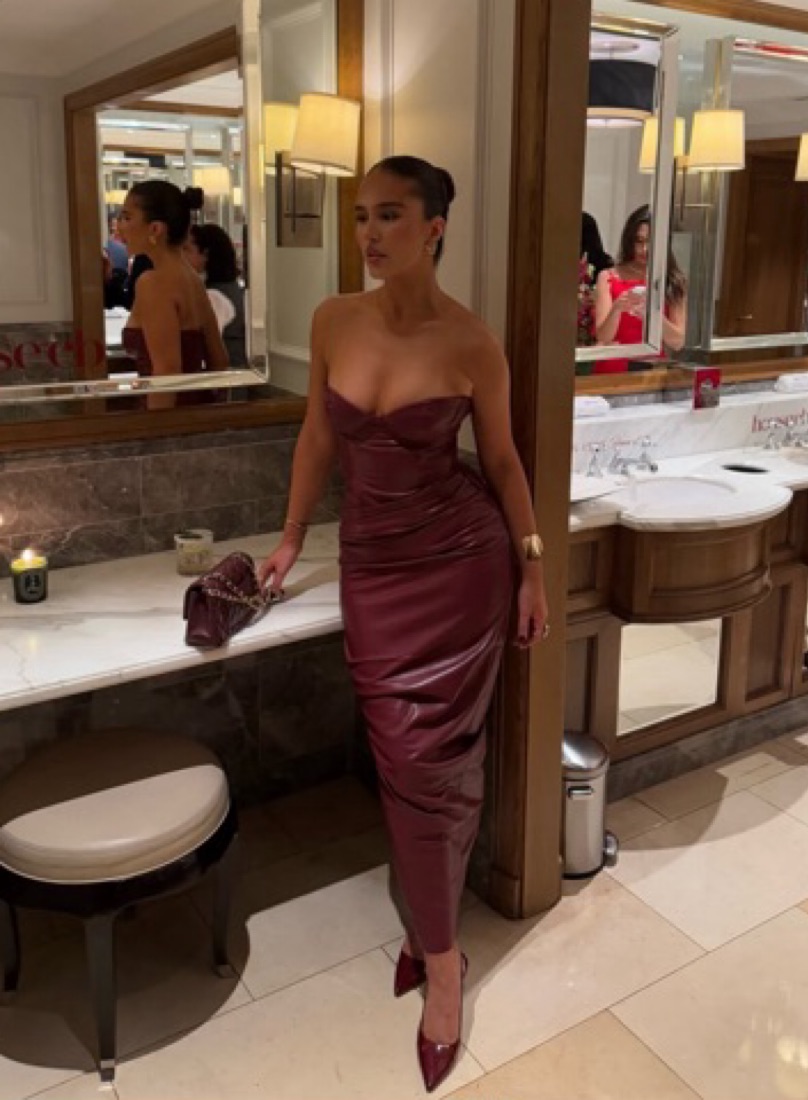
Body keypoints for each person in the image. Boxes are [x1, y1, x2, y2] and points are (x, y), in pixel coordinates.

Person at [258, 154, 549, 1093]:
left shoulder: (473, 342)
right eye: (360, 217)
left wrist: (533, 568)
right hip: (375, 573)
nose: (369, 235)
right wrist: (290, 537)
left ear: (434, 228)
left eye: (389, 215)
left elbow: (501, 464)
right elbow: (317, 436)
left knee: (438, 766)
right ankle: (434, 928)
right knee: (405, 761)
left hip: (461, 566)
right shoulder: (333, 319)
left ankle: (443, 962)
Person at [117, 182, 228, 408]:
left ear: (155, 229)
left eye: (127, 218)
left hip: (166, 413)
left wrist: (160, 427)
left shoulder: (153, 282)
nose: (119, 227)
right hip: (194, 412)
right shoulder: (193, 281)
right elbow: (219, 360)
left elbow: (167, 371)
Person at [593, 204, 687, 374]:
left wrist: (653, 316)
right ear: (629, 241)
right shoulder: (608, 277)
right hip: (613, 367)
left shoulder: (672, 281)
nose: (644, 249)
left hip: (652, 369)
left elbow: (677, 342)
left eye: (651, 242)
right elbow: (603, 337)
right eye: (639, 241)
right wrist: (617, 308)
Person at [184, 223, 247, 367]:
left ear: (205, 254)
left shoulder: (214, 296)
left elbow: (206, 349)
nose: (181, 256)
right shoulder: (232, 289)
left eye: (186, 249)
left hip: (228, 376)